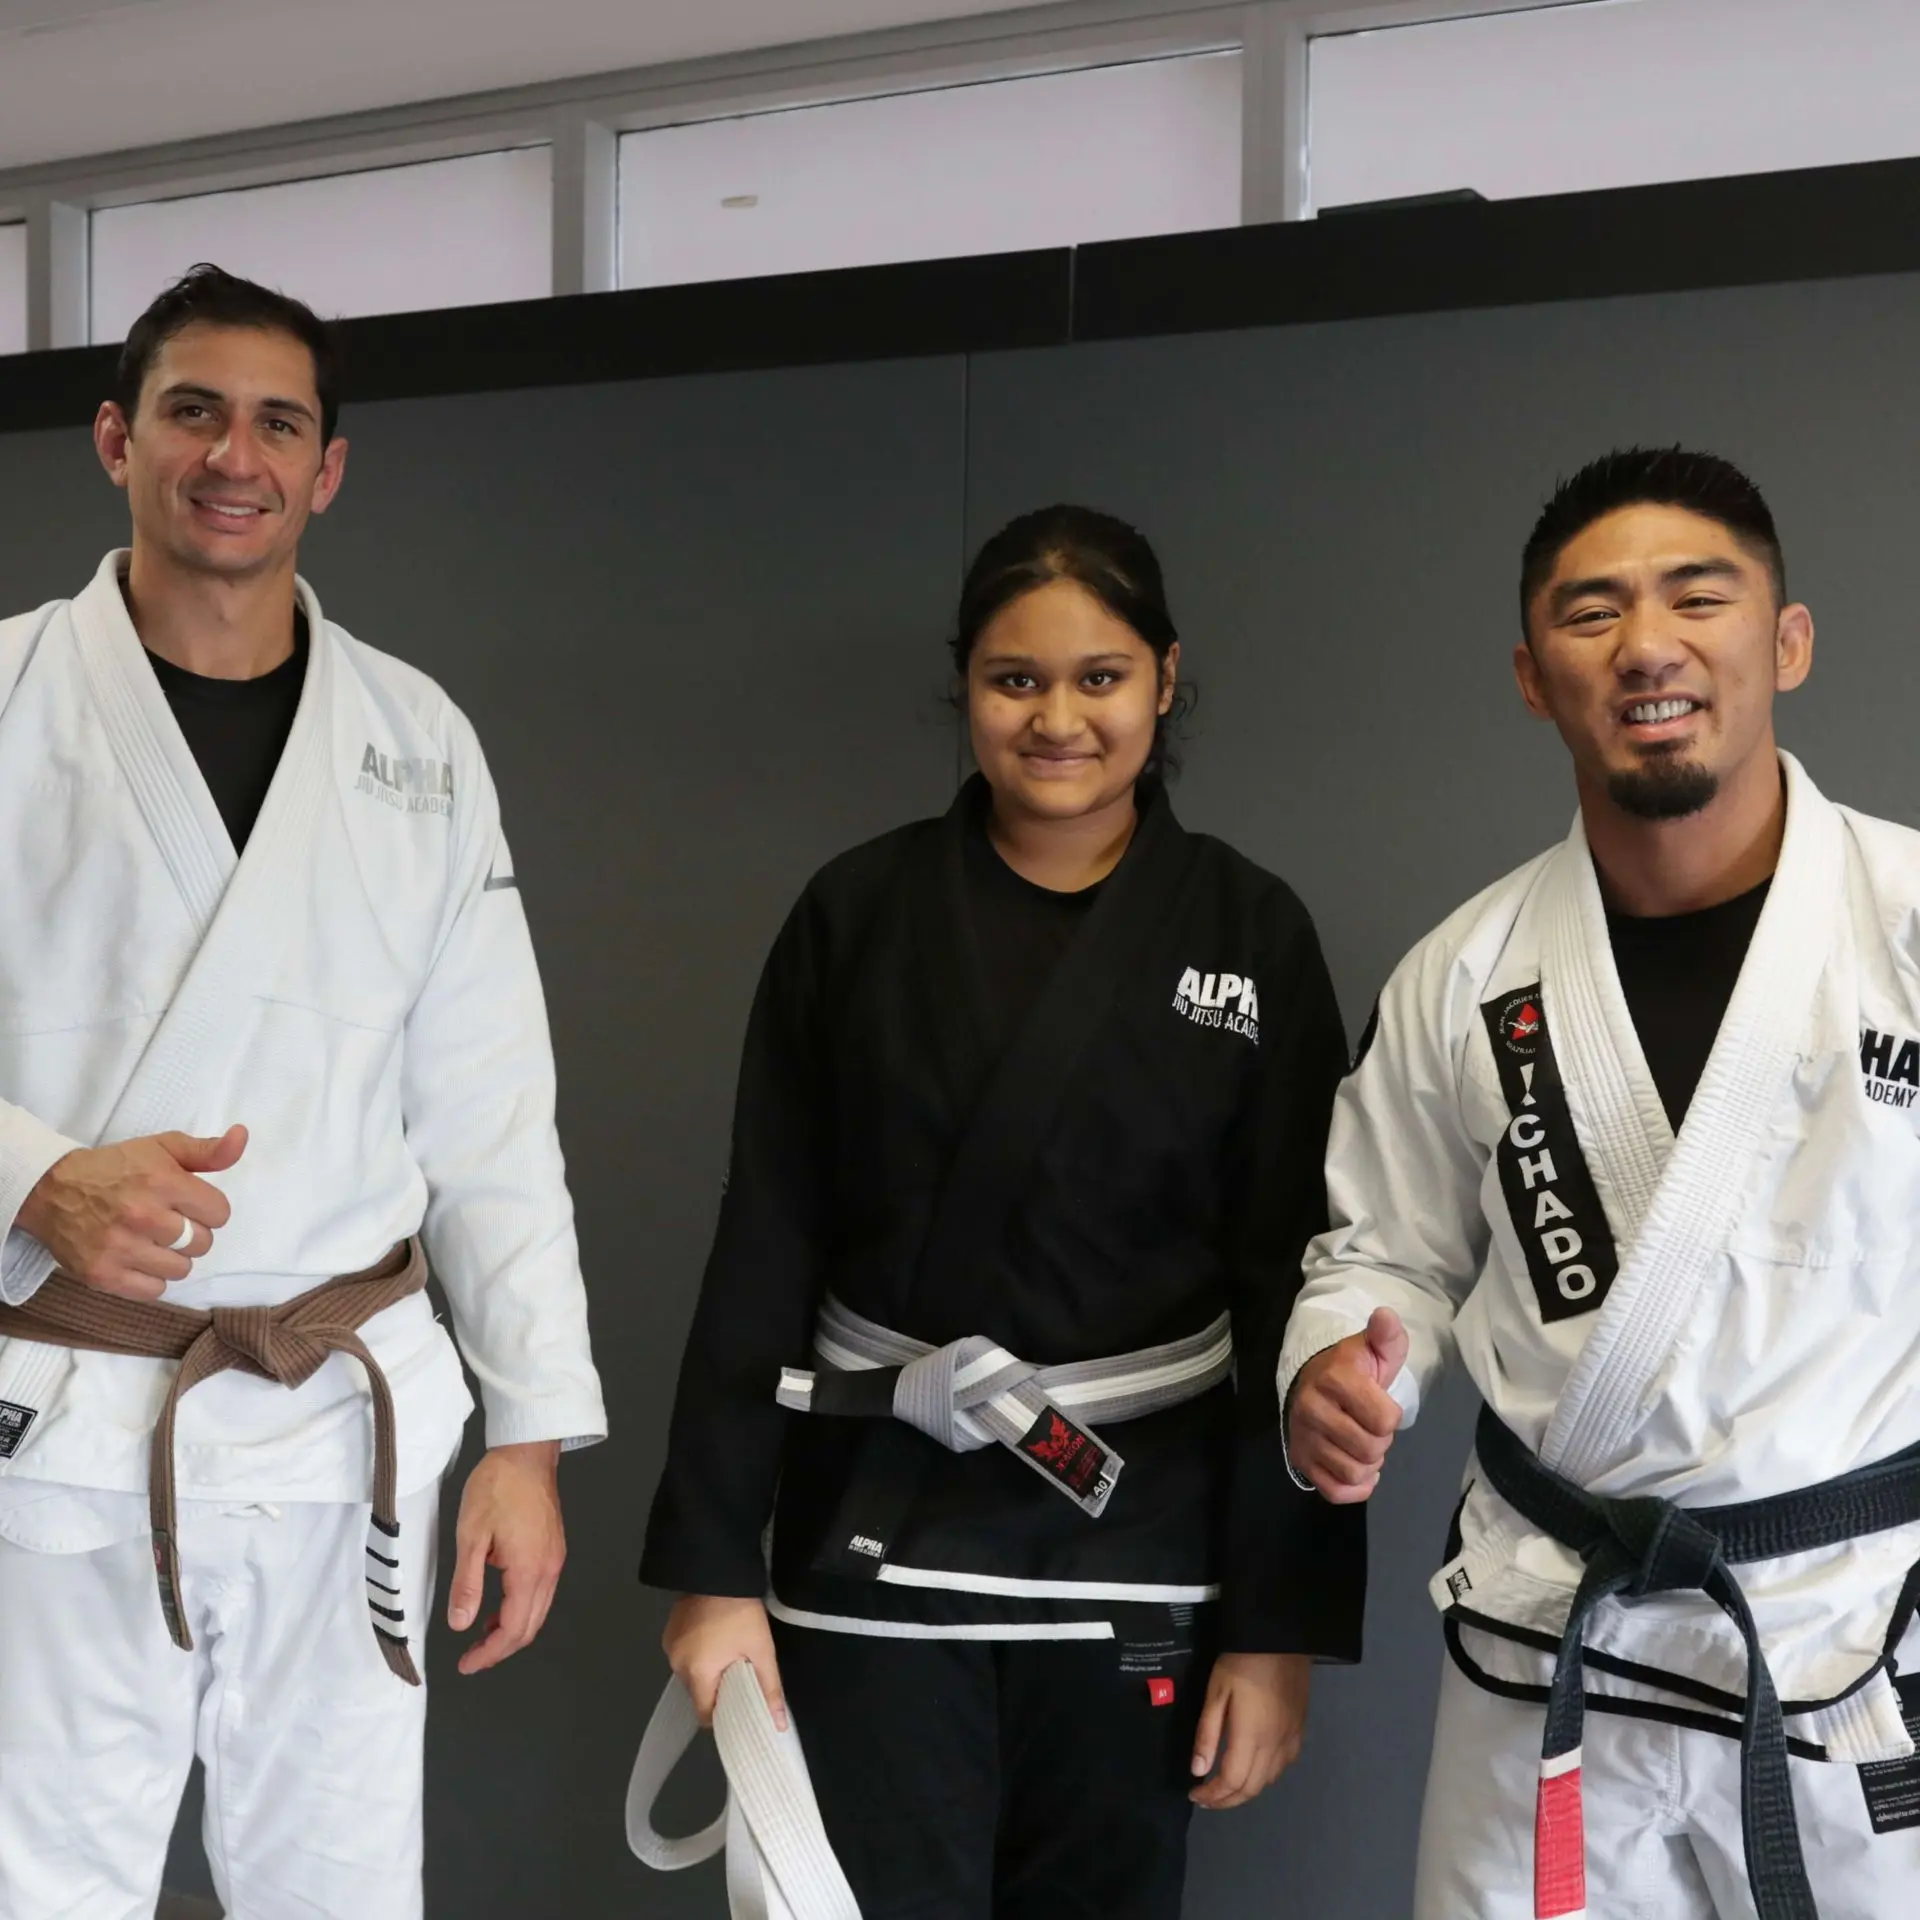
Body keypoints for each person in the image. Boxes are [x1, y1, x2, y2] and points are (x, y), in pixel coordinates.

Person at [641, 505, 1363, 1917]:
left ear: (1165, 677)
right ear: (965, 686)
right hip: (871, 1551)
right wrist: (714, 1571)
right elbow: (764, 1242)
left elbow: (1299, 1288)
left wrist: (1280, 1631)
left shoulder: (1248, 931)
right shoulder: (854, 915)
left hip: (1134, 1558)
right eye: (1014, 679)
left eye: (1099, 677)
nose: (1057, 719)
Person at [0, 264, 605, 1919]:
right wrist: (28, 1180)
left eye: (279, 422)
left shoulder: (416, 737)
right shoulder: (4, 697)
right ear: (116, 436)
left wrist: (533, 1436)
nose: (233, 454)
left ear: (327, 468)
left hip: (348, 1421)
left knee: (338, 1892)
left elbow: (490, 1112)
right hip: (59, 1414)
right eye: (192, 410)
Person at [1282, 446, 1920, 1919]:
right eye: (1592, 613)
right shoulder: (1466, 975)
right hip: (1550, 1644)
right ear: (1530, 674)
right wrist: (1339, 1357)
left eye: (1700, 597)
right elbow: (1380, 1250)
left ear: (1789, 640)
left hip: (1848, 1641)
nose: (1647, 645)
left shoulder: (1900, 924)